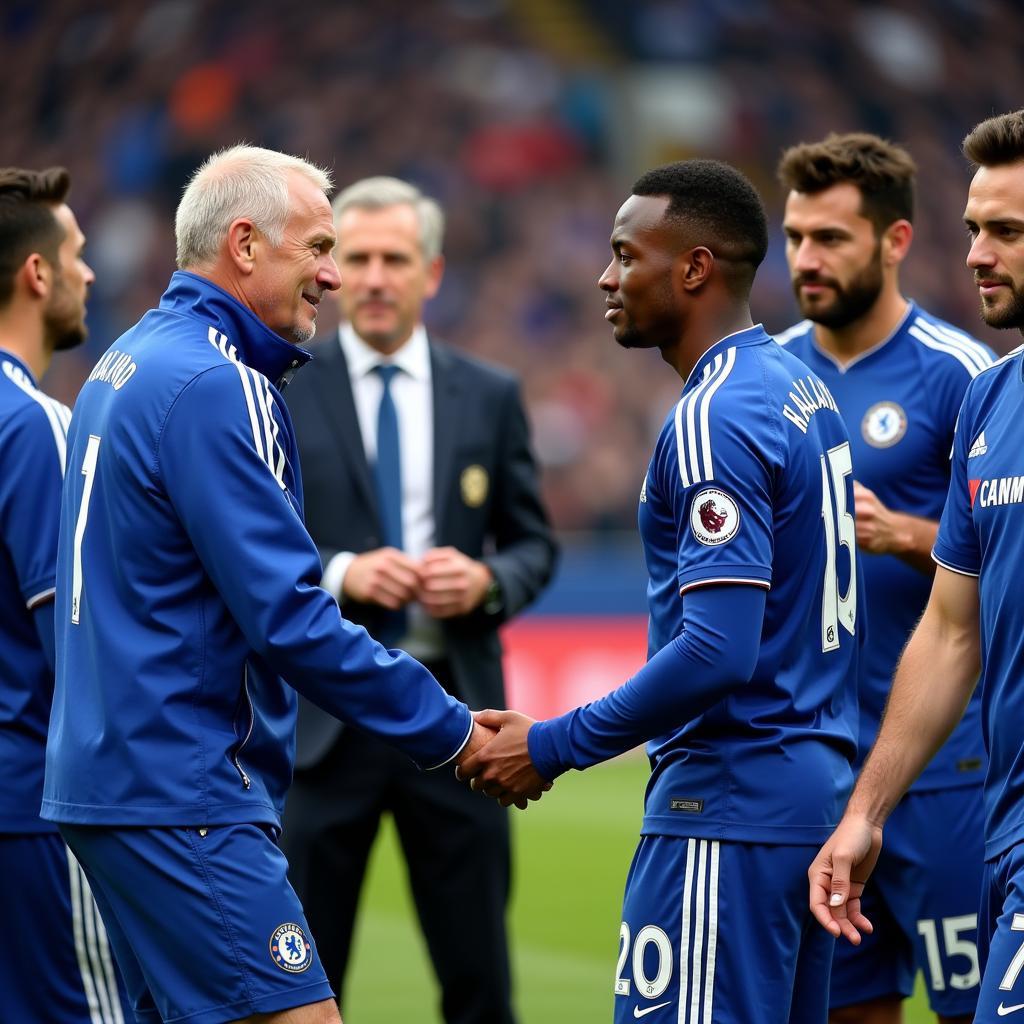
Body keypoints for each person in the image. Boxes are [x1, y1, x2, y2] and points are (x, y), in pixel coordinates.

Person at [41, 146, 497, 1024]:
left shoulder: (125, 362)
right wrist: (455, 736)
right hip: (185, 790)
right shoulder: (220, 383)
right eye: (318, 248)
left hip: (110, 781)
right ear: (244, 245)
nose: (331, 274)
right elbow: (291, 619)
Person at [461, 159, 860, 1022]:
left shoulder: (717, 412)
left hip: (729, 805)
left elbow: (718, 648)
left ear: (693, 268)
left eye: (623, 254)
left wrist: (555, 743)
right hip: (806, 795)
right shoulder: (799, 389)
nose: (605, 277)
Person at [279, 176, 556, 1023]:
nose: (370, 277)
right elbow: (253, 540)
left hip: (459, 723)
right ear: (330, 270)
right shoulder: (283, 385)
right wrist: (339, 573)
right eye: (351, 257)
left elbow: (534, 544)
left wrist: (487, 582)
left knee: (478, 980)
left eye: (392, 259)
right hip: (328, 727)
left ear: (431, 273)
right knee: (302, 982)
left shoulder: (490, 392)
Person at [808, 108, 1024, 1024]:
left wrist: (901, 531)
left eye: (1007, 231)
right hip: (1000, 826)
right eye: (975, 227)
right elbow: (950, 629)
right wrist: (866, 808)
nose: (976, 252)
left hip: (964, 798)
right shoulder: (993, 400)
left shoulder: (948, 371)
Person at [0, 167, 131, 1022]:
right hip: (31, 820)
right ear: (37, 274)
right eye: (77, 255)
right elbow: (77, 652)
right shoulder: (38, 426)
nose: (90, 273)